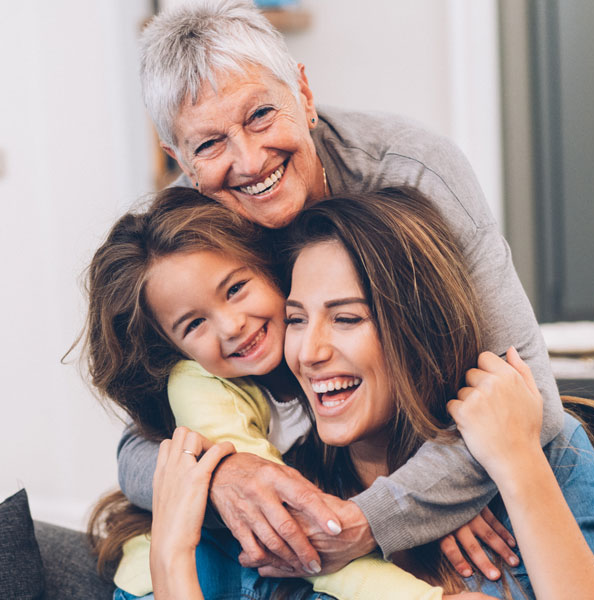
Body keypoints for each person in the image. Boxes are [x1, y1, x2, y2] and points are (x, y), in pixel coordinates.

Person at [118, 0, 564, 581]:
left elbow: (534, 402)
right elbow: (135, 449)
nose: (249, 161)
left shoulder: (414, 172)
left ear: (303, 93)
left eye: (259, 115)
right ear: (180, 162)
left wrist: (381, 512)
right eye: (209, 145)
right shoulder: (185, 237)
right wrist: (224, 476)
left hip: (447, 474)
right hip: (316, 492)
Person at [139, 188, 594, 600]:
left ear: (420, 330)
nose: (310, 353)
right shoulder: (293, 504)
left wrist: (517, 463)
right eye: (297, 319)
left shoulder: (551, 454)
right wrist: (170, 560)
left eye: (347, 318)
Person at [86, 187, 452, 600]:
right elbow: (288, 524)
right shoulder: (199, 387)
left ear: (269, 268)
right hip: (191, 576)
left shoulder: (317, 360)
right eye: (194, 325)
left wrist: (437, 507)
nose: (231, 326)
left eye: (235, 289)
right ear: (174, 348)